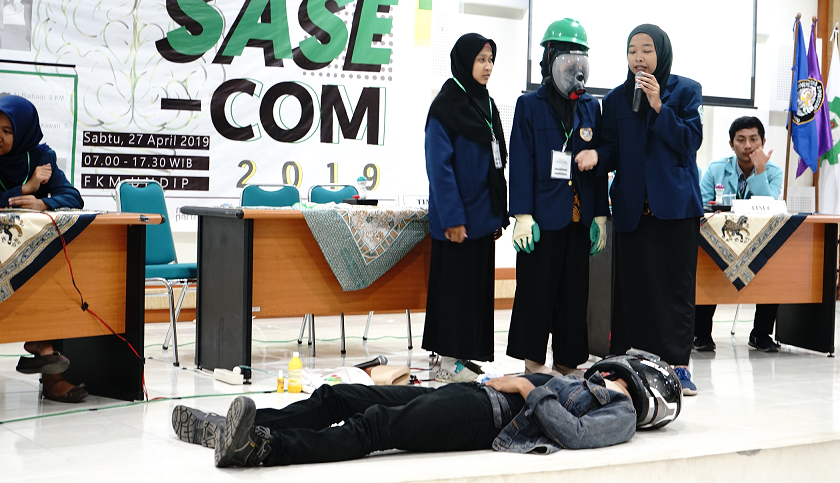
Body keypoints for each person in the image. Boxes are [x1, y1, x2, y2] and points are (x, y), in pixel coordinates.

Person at [170, 351, 682, 468]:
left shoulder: (620, 413)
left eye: (616, 372)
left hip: (485, 417)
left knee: (374, 425)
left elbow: (570, 433)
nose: (605, 371)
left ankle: (262, 448)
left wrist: (528, 387)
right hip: (475, 394)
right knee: (341, 395)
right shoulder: (590, 382)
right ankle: (228, 429)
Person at [575, 24, 704, 396]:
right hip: (633, 210)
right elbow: (612, 148)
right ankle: (630, 363)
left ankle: (678, 367)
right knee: (633, 291)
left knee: (675, 291)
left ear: (661, 53)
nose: (639, 58)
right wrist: (598, 154)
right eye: (632, 51)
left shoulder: (685, 91)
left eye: (646, 50)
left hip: (676, 210)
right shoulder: (616, 100)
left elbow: (689, 142)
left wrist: (659, 106)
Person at [506, 19, 609, 375]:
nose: (576, 69)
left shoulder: (590, 108)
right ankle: (534, 368)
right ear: (550, 59)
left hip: (578, 219)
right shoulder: (529, 105)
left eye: (581, 61)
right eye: (568, 60)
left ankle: (567, 367)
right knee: (536, 296)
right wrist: (521, 215)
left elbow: (597, 164)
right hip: (541, 220)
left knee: (573, 297)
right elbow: (520, 161)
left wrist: (599, 214)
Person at [422, 33, 508, 381]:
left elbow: (498, 162)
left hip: (483, 217)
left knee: (475, 291)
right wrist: (453, 218)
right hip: (457, 220)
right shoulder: (445, 107)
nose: (487, 67)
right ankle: (445, 362)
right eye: (481, 60)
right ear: (464, 62)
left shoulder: (485, 104)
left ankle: (466, 355)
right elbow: (439, 168)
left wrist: (498, 213)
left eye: (490, 60)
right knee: (454, 291)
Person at [0, 94, 88, 402]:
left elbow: (72, 197)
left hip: (27, 253)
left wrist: (42, 202)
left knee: (57, 276)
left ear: (23, 132)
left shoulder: (39, 155)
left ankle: (50, 370)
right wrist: (24, 189)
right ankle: (43, 350)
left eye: (7, 131)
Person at [694, 116, 783, 353]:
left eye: (754, 139)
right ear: (732, 144)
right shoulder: (715, 168)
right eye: (741, 140)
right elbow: (701, 206)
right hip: (719, 238)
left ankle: (760, 334)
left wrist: (760, 170)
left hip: (759, 240)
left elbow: (770, 207)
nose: (748, 146)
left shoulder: (773, 171)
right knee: (707, 267)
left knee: (772, 267)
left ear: (763, 142)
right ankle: (701, 334)